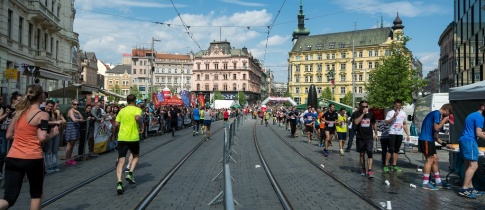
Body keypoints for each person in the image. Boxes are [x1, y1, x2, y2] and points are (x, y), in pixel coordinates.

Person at [0, 85, 59, 210]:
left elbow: (9, 135)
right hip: (33, 158)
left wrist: (23, 135)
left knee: (9, 198)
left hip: (13, 158)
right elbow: (43, 137)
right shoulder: (42, 114)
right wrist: (53, 134)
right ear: (40, 96)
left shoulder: (19, 112)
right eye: (43, 93)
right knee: (36, 194)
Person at [418, 104, 454, 190]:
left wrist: (445, 145)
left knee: (435, 158)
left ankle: (438, 181)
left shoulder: (437, 117)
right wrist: (444, 120)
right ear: (446, 111)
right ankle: (425, 183)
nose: (446, 123)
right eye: (447, 121)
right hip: (426, 139)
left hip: (429, 140)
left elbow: (435, 137)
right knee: (429, 160)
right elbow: (437, 128)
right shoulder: (437, 114)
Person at [114, 94, 143, 194]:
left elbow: (116, 123)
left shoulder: (122, 111)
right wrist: (141, 126)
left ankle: (119, 182)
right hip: (133, 137)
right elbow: (137, 118)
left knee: (121, 160)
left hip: (122, 138)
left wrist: (117, 131)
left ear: (126, 101)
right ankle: (130, 173)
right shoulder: (137, 109)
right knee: (135, 156)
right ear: (135, 100)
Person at [458, 103, 485, 198]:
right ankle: (464, 189)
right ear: (482, 107)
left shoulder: (473, 115)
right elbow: (478, 133)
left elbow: (476, 131)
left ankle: (470, 187)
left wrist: (482, 133)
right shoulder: (480, 117)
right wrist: (482, 134)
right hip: (470, 141)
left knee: (468, 164)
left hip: (465, 140)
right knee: (474, 165)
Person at [383, 99, 410, 173]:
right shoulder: (390, 113)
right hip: (392, 133)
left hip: (399, 133)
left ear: (401, 106)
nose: (397, 107)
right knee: (390, 149)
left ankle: (394, 165)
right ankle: (386, 165)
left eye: (399, 105)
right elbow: (387, 122)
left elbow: (404, 124)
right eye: (396, 105)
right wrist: (393, 117)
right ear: (394, 105)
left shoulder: (403, 113)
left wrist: (407, 134)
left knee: (396, 150)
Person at [352, 101, 378, 178]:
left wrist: (376, 134)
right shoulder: (356, 114)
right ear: (360, 107)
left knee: (370, 152)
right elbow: (356, 122)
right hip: (360, 137)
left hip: (369, 137)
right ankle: (363, 169)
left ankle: (369, 170)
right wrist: (363, 114)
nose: (365, 108)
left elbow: (374, 124)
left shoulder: (371, 114)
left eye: (366, 106)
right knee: (362, 153)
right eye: (363, 107)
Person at [64, 100, 84, 165]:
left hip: (75, 128)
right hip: (71, 128)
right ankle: (67, 159)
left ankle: (70, 158)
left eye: (77, 104)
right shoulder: (70, 111)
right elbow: (74, 119)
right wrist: (79, 120)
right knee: (69, 144)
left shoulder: (77, 111)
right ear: (72, 105)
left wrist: (78, 113)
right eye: (74, 104)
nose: (76, 106)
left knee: (72, 144)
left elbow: (82, 119)